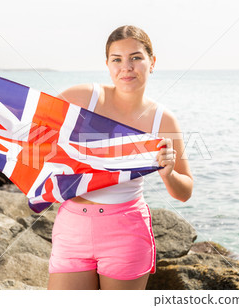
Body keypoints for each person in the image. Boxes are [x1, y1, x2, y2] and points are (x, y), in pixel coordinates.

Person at [47, 25, 193, 290]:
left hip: (126, 232)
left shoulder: (163, 120)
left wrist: (168, 174)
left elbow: (185, 192)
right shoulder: (83, 98)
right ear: (108, 64)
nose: (126, 67)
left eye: (136, 57)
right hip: (72, 228)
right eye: (117, 59)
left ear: (152, 62)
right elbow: (29, 130)